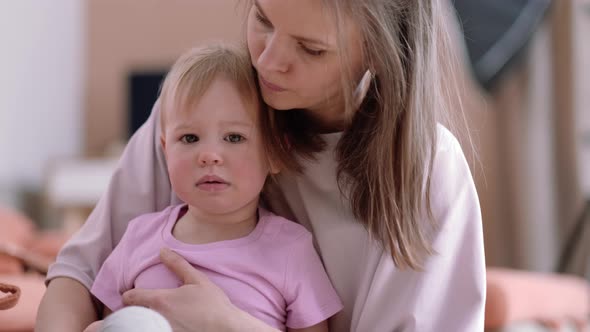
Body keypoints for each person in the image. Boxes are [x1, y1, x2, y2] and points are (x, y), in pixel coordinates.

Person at [37, 1, 486, 331]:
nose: (267, 61)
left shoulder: (427, 172)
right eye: (263, 19)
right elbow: (80, 274)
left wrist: (229, 324)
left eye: (310, 49)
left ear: (377, 55)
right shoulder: (202, 112)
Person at [81, 44, 343, 332]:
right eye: (190, 138)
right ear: (166, 150)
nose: (209, 155)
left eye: (233, 137)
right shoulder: (137, 238)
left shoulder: (292, 249)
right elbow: (111, 321)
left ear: (274, 152)